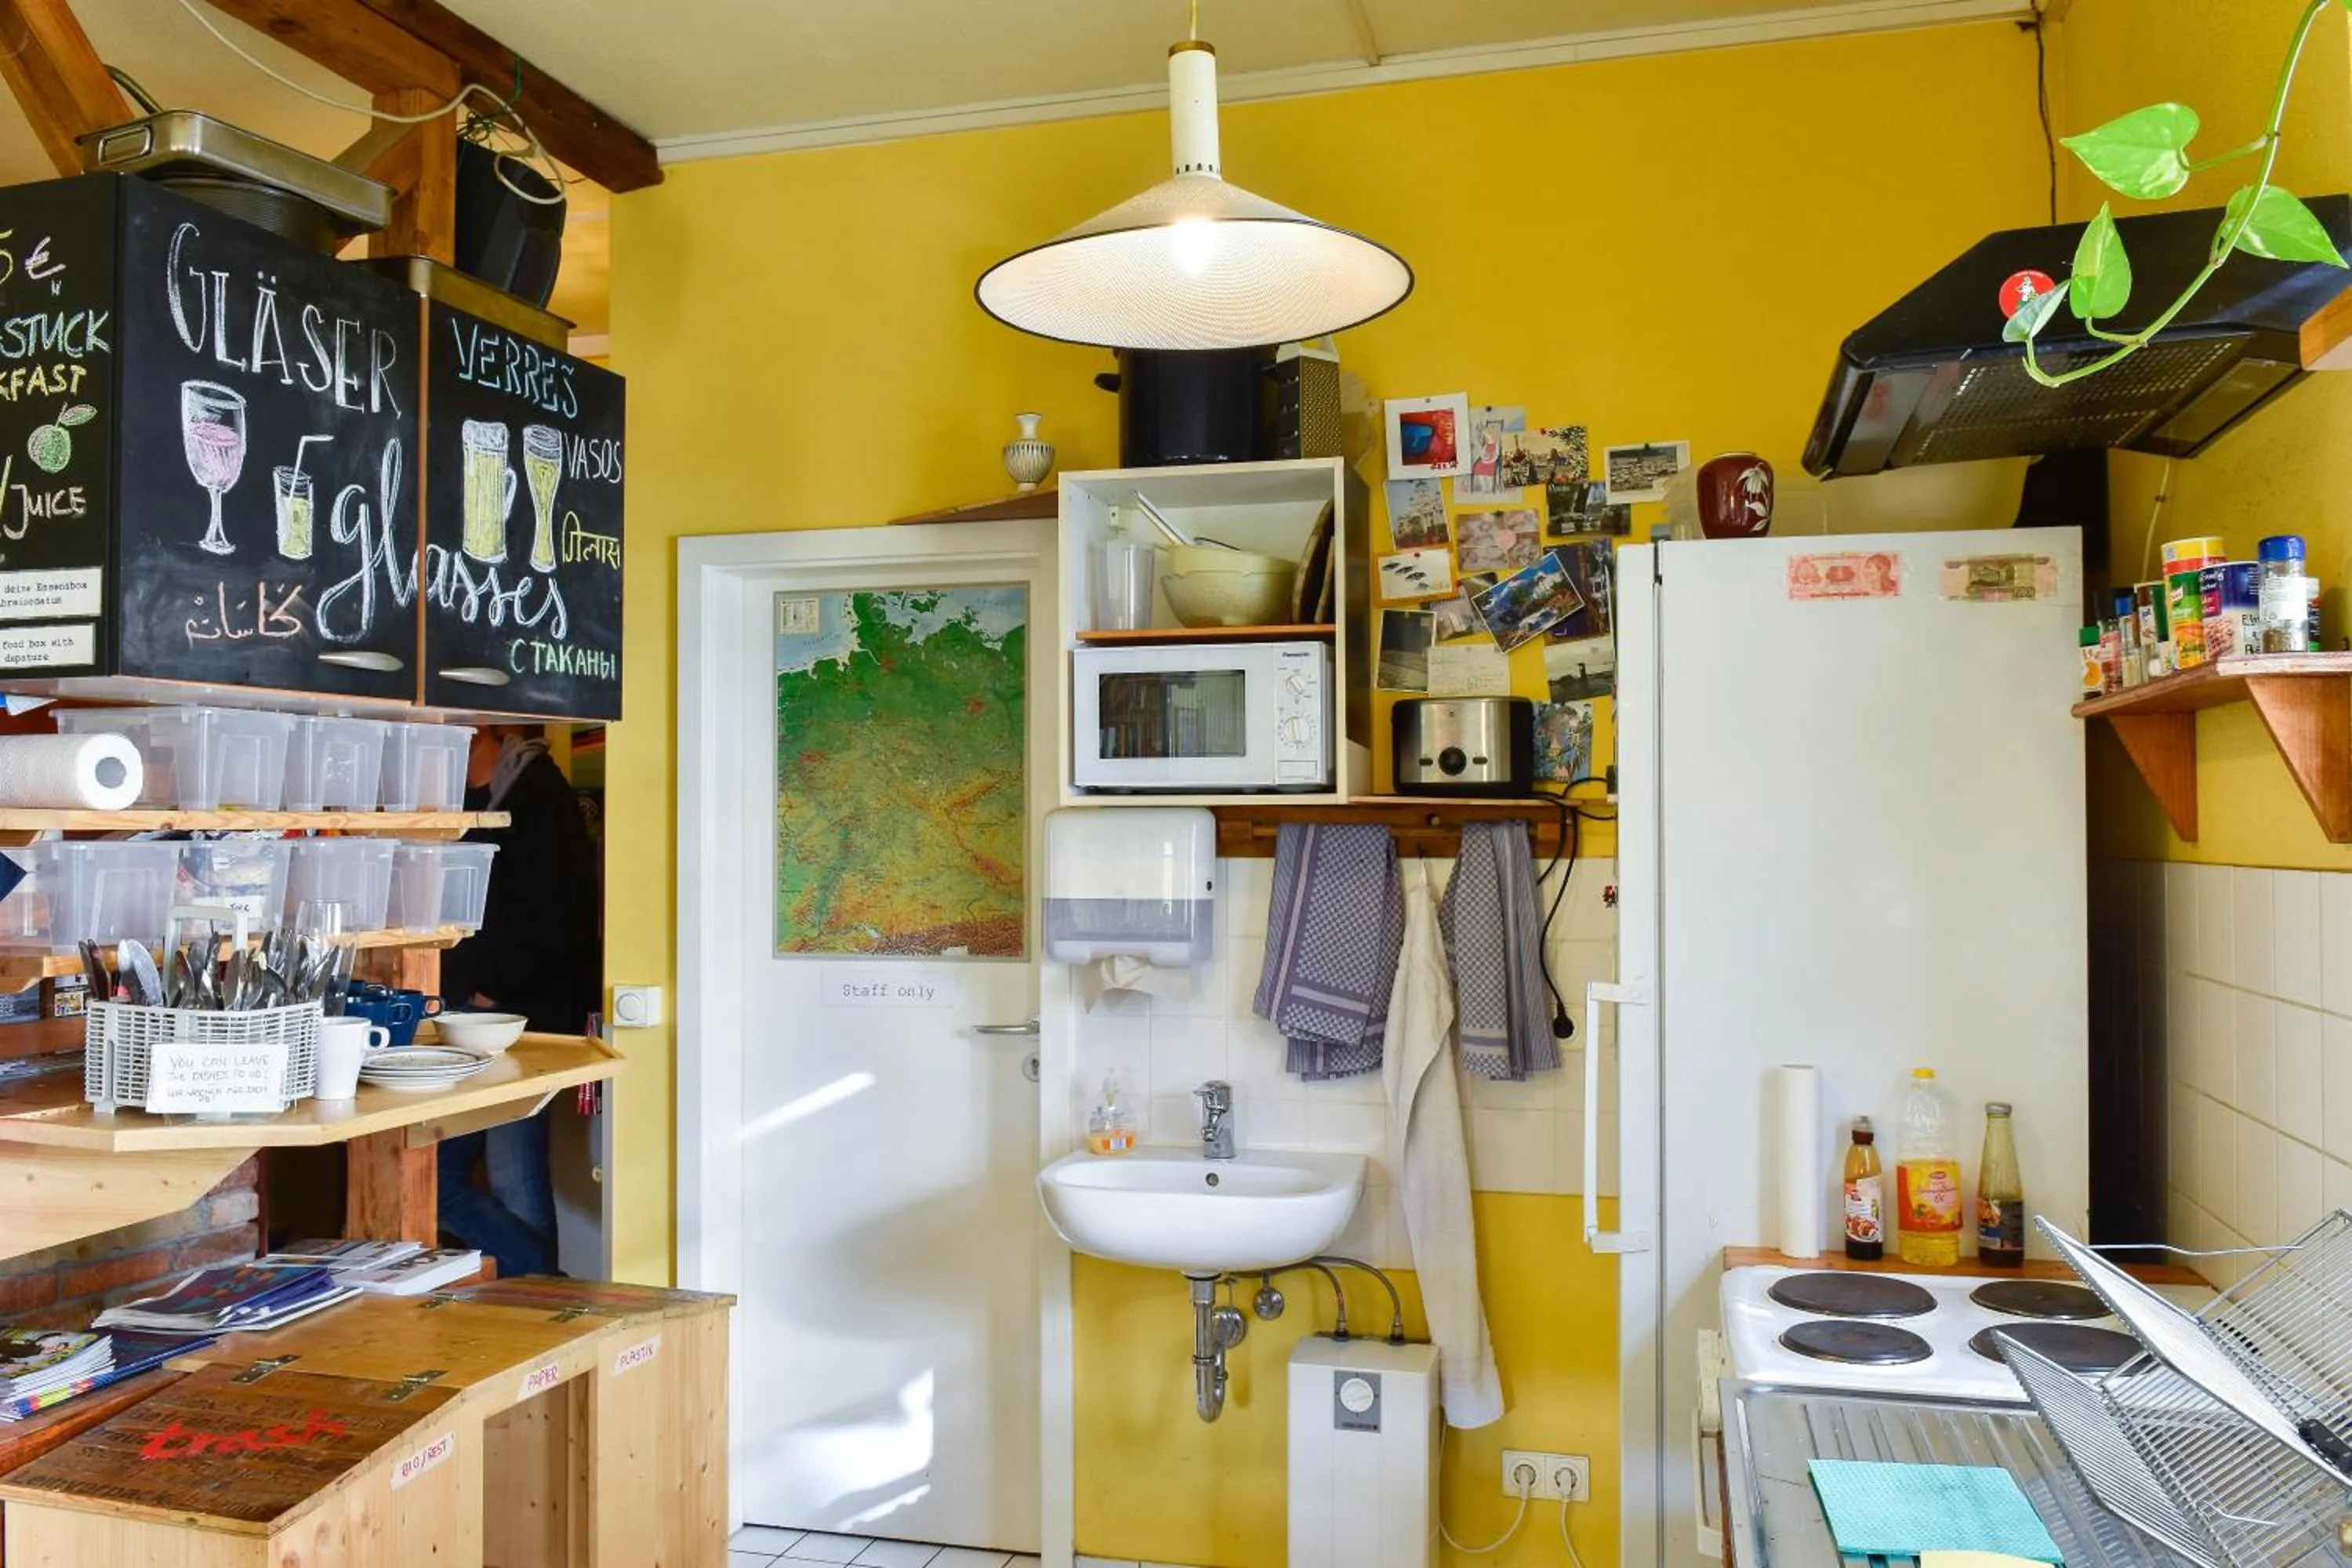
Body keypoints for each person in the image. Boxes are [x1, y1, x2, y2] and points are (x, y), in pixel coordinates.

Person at [435, 725, 601, 1278]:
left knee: (505, 1172)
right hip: (470, 1013)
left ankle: (542, 1295)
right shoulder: (463, 798)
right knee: (448, 1175)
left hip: (520, 1018)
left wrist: (492, 988)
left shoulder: (536, 793)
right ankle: (542, 1296)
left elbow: (556, 916)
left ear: (478, 734)